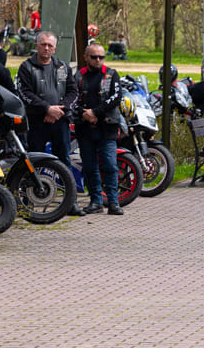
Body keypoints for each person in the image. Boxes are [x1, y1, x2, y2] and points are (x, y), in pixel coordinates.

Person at [15, 30, 83, 216]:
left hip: (60, 121)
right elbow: (24, 93)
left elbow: (73, 91)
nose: (46, 48)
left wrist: (59, 110)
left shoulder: (62, 67)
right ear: (36, 45)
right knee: (32, 162)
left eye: (50, 45)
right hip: (36, 122)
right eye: (43, 44)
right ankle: (27, 202)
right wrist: (46, 109)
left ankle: (71, 203)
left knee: (64, 162)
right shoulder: (26, 67)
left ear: (54, 48)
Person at [74, 43, 123, 215]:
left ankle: (113, 202)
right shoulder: (79, 75)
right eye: (94, 56)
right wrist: (84, 114)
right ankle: (95, 201)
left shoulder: (111, 74)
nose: (98, 60)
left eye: (101, 57)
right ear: (86, 57)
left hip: (107, 127)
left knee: (110, 165)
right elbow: (72, 98)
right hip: (84, 128)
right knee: (89, 166)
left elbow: (116, 97)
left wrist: (95, 112)